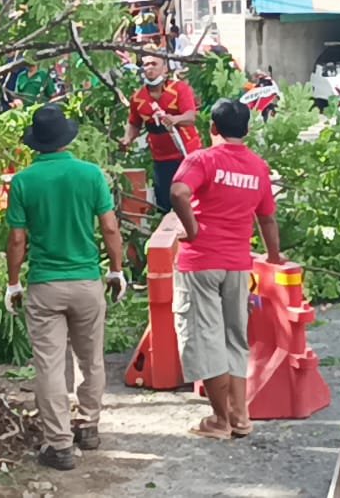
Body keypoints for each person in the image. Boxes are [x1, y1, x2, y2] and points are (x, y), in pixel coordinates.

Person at [4, 104, 127, 471]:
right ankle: (88, 426)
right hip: (87, 281)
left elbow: (17, 240)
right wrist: (116, 271)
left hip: (45, 284)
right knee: (91, 359)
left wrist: (13, 282)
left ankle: (59, 445)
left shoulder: (24, 181)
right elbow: (110, 228)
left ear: (36, 143)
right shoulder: (90, 174)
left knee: (49, 366)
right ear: (66, 139)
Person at [169, 99, 282, 440]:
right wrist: (274, 256)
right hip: (237, 264)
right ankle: (240, 417)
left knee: (206, 339)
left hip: (201, 263)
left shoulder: (202, 159)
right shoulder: (257, 167)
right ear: (246, 129)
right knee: (235, 337)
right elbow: (267, 218)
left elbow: (178, 191)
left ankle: (220, 421)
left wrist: (191, 230)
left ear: (213, 128)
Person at [118, 54, 202, 213]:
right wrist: (127, 138)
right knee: (165, 203)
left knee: (191, 201)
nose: (149, 68)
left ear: (165, 69)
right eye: (146, 65)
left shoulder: (179, 89)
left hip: (187, 154)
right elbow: (134, 123)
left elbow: (190, 117)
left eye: (154, 64)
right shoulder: (137, 98)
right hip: (162, 159)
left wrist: (175, 119)